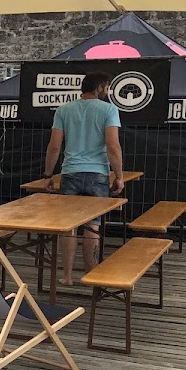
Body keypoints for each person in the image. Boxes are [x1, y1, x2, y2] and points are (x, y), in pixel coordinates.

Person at [42, 71, 124, 286]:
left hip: (70, 172)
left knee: (69, 227)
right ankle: (91, 275)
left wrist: (48, 174)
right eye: (107, 87)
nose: (107, 91)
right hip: (98, 174)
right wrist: (119, 176)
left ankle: (67, 276)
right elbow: (113, 146)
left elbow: (54, 146)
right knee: (93, 226)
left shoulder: (63, 110)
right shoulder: (109, 110)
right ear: (99, 87)